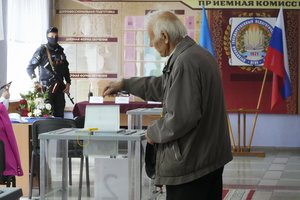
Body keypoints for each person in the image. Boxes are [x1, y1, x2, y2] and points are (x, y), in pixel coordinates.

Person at [103, 11, 232, 200]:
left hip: (192, 164)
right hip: (207, 158)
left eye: (151, 38)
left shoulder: (185, 62)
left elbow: (182, 117)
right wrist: (126, 84)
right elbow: (163, 85)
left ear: (164, 36)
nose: (150, 44)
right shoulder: (197, 54)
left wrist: (153, 132)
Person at [27, 27, 71, 118]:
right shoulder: (42, 50)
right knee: (48, 114)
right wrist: (35, 82)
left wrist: (68, 82)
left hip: (59, 87)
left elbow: (65, 68)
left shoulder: (60, 50)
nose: (54, 38)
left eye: (56, 36)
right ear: (47, 37)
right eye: (51, 36)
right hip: (46, 89)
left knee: (60, 114)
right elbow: (30, 68)